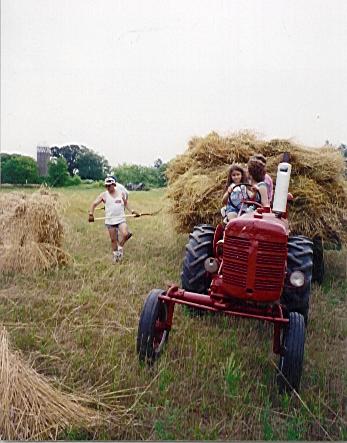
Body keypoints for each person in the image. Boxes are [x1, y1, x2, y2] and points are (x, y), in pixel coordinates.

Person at [88, 176, 139, 263]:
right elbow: (94, 204)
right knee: (113, 239)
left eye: (109, 186)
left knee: (126, 234)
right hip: (110, 221)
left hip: (120, 219)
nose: (107, 187)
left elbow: (126, 204)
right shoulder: (103, 195)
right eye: (106, 186)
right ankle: (116, 256)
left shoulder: (121, 193)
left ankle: (120, 247)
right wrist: (91, 214)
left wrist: (132, 211)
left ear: (114, 185)